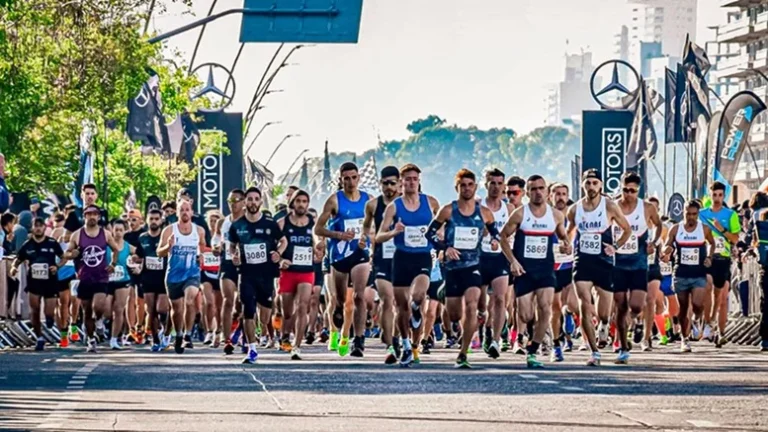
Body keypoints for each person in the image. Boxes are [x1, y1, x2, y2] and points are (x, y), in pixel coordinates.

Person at [426, 168, 499, 369]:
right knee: (455, 314)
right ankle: (456, 323)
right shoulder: (448, 210)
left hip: (474, 266)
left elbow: (496, 234)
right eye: (462, 186)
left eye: (470, 185)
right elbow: (430, 235)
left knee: (472, 304)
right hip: (452, 268)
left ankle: (463, 352)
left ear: (475, 187)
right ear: (456, 188)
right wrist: (445, 248)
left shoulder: (484, 213)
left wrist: (494, 241)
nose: (467, 189)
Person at [500, 175, 571, 368]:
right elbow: (503, 237)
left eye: (541, 188)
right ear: (527, 193)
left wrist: (567, 246)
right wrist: (512, 261)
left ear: (547, 192)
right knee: (525, 315)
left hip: (546, 269)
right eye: (533, 189)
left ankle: (533, 350)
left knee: (546, 308)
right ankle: (530, 332)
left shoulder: (556, 215)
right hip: (524, 270)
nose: (538, 192)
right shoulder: (520, 214)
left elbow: (563, 237)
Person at [375, 164, 439, 366]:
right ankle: (405, 343)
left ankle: (416, 339)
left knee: (418, 297)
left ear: (419, 181)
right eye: (407, 179)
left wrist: (442, 238)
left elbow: (444, 224)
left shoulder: (430, 203)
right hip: (401, 257)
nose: (411, 182)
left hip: (422, 257)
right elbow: (378, 236)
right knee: (401, 308)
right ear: (401, 182)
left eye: (415, 179)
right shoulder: (394, 206)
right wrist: (395, 232)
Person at [566, 169, 631, 366]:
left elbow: (627, 230)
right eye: (588, 183)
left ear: (601, 185)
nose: (591, 187)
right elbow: (569, 232)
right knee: (585, 305)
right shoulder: (574, 209)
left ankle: (604, 324)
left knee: (604, 312)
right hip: (583, 261)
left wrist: (616, 246)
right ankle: (594, 352)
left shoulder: (609, 206)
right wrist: (566, 244)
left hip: (604, 262)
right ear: (583, 185)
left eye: (595, 183)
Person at [315, 162, 372, 357]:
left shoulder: (368, 201)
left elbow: (376, 227)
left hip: (360, 254)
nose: (350, 182)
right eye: (346, 178)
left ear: (359, 178)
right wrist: (338, 235)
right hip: (339, 255)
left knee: (357, 297)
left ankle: (358, 340)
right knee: (339, 301)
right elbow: (318, 229)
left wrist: (367, 238)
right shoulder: (334, 201)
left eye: (354, 177)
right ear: (341, 180)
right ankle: (336, 319)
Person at [228, 186, 286, 364]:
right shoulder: (237, 226)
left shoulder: (269, 224)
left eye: (256, 199)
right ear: (245, 202)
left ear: (260, 202)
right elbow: (231, 245)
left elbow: (283, 241)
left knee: (265, 316)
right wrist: (234, 255)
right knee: (248, 310)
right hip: (246, 274)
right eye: (250, 199)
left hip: (266, 274)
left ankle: (259, 331)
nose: (253, 202)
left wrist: (278, 253)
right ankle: (251, 349)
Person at [611, 172, 661, 364]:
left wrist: (654, 243)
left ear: (638, 191)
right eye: (625, 190)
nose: (628, 194)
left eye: (632, 191)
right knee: (620, 306)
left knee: (637, 305)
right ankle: (623, 348)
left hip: (639, 261)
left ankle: (637, 322)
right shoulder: (613, 207)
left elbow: (658, 225)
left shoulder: (646, 207)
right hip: (618, 262)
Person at [65, 205, 121, 353]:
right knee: (87, 311)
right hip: (84, 277)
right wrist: (73, 253)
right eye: (89, 214)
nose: (92, 217)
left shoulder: (105, 234)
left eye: (94, 214)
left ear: (98, 216)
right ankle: (91, 339)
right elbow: (67, 252)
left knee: (99, 306)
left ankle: (100, 320)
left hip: (101, 276)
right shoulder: (77, 235)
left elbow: (116, 249)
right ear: (84, 216)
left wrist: (113, 264)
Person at [662, 200, 716, 352]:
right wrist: (666, 251)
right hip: (681, 273)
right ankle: (684, 340)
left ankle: (697, 319)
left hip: (698, 273)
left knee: (698, 304)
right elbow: (668, 243)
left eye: (694, 214)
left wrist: (709, 257)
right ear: (683, 213)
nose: (691, 217)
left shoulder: (704, 229)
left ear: (698, 214)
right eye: (688, 214)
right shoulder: (676, 228)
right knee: (683, 308)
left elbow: (712, 243)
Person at [157, 198, 207, 354]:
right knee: (176, 309)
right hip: (173, 275)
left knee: (190, 298)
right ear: (177, 213)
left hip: (192, 273)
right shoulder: (169, 230)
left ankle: (187, 334)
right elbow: (159, 252)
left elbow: (202, 247)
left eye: (187, 209)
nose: (185, 212)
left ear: (191, 212)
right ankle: (178, 334)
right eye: (182, 210)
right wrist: (168, 246)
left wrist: (202, 256)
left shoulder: (199, 230)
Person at [363, 166, 401, 364]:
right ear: (380, 183)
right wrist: (365, 241)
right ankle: (391, 345)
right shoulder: (372, 205)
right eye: (385, 183)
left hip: (404, 257)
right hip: (382, 258)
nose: (389, 187)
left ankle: (401, 336)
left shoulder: (408, 203)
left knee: (402, 303)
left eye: (392, 183)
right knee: (388, 299)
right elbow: (367, 227)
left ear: (399, 183)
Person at [10, 217, 66, 351]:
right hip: (34, 282)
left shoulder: (52, 243)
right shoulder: (27, 245)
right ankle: (39, 337)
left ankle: (50, 318)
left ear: (45, 228)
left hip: (50, 282)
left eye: (41, 226)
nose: (38, 228)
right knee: (34, 310)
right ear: (32, 228)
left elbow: (63, 257)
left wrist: (57, 266)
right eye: (36, 226)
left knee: (49, 312)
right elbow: (18, 259)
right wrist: (14, 267)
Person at [478, 168, 514, 359]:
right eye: (493, 183)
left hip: (500, 257)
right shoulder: (478, 205)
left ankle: (496, 340)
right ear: (486, 185)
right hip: (480, 257)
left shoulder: (508, 209)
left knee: (500, 299)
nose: (496, 187)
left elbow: (510, 234)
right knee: (482, 304)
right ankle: (485, 324)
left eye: (500, 184)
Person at [699, 182, 741, 347]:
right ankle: (708, 323)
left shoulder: (731, 215)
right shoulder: (702, 214)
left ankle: (719, 331)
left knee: (721, 297)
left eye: (720, 195)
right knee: (707, 286)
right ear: (710, 195)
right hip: (707, 257)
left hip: (723, 258)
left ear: (724, 196)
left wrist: (721, 229)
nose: (717, 198)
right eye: (714, 195)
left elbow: (735, 239)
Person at [277, 190, 315, 359]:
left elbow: (319, 243)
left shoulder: (313, 224)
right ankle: (285, 335)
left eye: (305, 201)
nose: (301, 204)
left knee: (302, 306)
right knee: (287, 311)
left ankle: (297, 345)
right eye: (298, 201)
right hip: (288, 271)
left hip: (306, 271)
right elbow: (273, 246)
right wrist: (280, 260)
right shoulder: (282, 223)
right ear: (292, 203)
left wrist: (318, 253)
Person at [549, 183, 578, 361]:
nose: (560, 197)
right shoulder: (545, 216)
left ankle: (569, 314)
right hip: (551, 268)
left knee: (574, 305)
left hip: (570, 266)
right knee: (554, 309)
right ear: (550, 196)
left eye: (563, 194)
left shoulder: (573, 216)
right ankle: (556, 344)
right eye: (557, 194)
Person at [134, 209, 169, 351]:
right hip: (147, 277)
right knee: (151, 310)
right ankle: (155, 339)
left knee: (162, 309)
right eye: (151, 219)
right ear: (147, 220)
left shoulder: (165, 237)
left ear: (161, 220)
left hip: (163, 277)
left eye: (156, 218)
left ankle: (164, 330)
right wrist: (136, 262)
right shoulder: (142, 238)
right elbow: (139, 256)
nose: (154, 221)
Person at [217, 189, 245, 355]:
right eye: (230, 201)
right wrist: (217, 248)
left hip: (245, 264)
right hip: (227, 262)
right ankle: (226, 338)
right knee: (228, 300)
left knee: (242, 302)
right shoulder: (224, 222)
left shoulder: (248, 221)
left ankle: (242, 334)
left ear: (243, 202)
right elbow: (220, 241)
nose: (233, 204)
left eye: (236, 200)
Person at [104, 219, 137, 350]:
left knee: (119, 310)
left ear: (125, 231)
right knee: (106, 310)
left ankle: (114, 339)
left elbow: (142, 254)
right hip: (107, 281)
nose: (118, 233)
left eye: (120, 230)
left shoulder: (128, 247)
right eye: (116, 230)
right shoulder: (106, 246)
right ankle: (103, 325)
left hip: (123, 280)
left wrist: (139, 265)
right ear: (112, 230)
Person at [201, 210, 223, 346]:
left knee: (219, 306)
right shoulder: (203, 236)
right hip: (205, 273)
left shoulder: (223, 236)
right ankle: (209, 331)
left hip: (219, 272)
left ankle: (219, 329)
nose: (213, 223)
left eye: (216, 220)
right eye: (211, 220)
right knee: (209, 302)